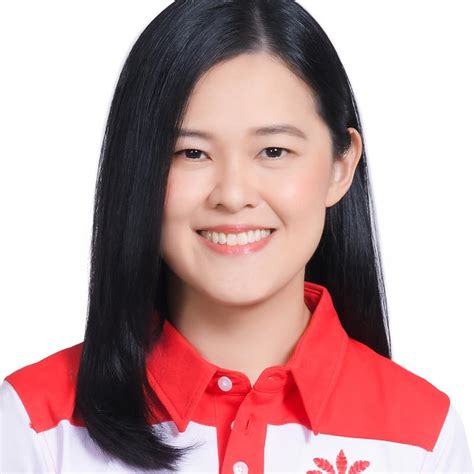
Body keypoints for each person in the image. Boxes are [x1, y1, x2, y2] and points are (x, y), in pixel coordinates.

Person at [1, 0, 472, 472]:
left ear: (340, 166)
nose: (232, 194)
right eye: (191, 153)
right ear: (138, 168)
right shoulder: (37, 425)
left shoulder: (424, 438)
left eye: (273, 151)